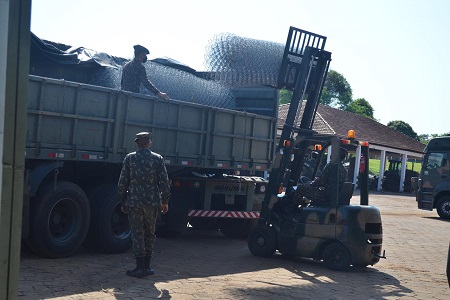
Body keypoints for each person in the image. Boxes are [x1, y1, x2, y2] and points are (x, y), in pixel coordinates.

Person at [118, 132, 170, 278]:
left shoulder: (130, 158)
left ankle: (139, 267)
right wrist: (165, 201)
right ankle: (147, 267)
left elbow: (122, 182)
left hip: (134, 202)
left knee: (137, 233)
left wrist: (123, 200)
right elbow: (164, 182)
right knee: (150, 233)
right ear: (149, 143)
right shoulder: (157, 159)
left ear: (137, 143)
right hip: (152, 202)